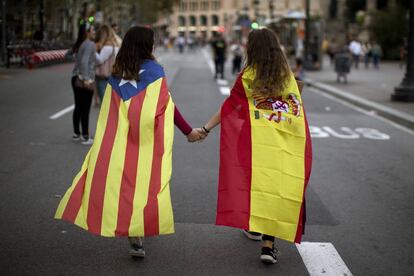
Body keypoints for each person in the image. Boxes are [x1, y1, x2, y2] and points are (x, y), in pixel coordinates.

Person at [55, 26, 206, 258]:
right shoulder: (155, 71)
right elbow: (166, 106)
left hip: (117, 140)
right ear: (148, 45)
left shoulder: (118, 71)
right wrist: (188, 131)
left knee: (121, 184)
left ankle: (133, 236)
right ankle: (137, 230)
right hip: (145, 139)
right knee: (143, 185)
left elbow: (111, 110)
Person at [200, 28, 312, 264]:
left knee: (256, 185)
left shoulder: (248, 76)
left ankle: (254, 226)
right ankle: (268, 245)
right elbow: (297, 108)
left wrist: (206, 128)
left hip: (254, 144)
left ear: (252, 49)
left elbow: (230, 107)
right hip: (285, 144)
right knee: (277, 188)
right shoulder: (287, 75)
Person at [69, 23, 96, 145]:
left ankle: (76, 134)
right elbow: (85, 61)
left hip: (75, 77)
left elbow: (68, 54)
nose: (94, 32)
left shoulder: (79, 44)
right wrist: (86, 78)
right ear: (87, 32)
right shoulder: (90, 44)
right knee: (85, 108)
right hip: (84, 79)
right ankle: (85, 136)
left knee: (78, 107)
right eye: (92, 30)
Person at [95, 25, 121, 105]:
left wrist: (94, 50)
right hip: (113, 76)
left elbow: (99, 60)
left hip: (103, 77)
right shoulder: (115, 45)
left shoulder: (107, 47)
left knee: (104, 104)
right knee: (110, 104)